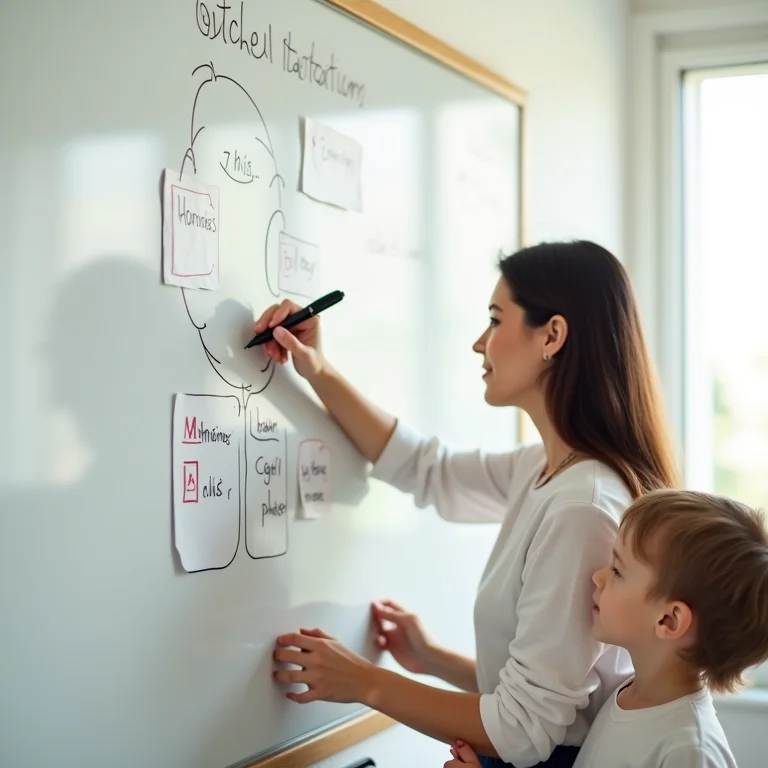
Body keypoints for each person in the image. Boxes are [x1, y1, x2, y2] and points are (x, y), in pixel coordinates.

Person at [258, 240, 679, 767]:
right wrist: (316, 369)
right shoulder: (543, 469)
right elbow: (424, 468)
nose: (480, 344)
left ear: (552, 335)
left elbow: (526, 730)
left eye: (495, 320)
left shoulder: (583, 506)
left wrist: (365, 682)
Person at [444, 489, 768, 767]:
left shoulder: (688, 750)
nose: (597, 576)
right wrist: (430, 657)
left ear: (669, 620)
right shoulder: (625, 695)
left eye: (617, 570)